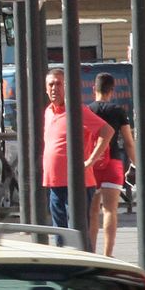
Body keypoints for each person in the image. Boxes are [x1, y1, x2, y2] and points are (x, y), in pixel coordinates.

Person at [42, 67, 113, 233]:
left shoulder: (77, 110)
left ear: (66, 87)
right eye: (51, 85)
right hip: (54, 182)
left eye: (58, 84)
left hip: (77, 183)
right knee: (60, 232)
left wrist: (91, 160)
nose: (54, 88)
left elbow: (107, 131)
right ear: (46, 89)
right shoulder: (48, 112)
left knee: (77, 232)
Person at [86, 72, 135, 257]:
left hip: (91, 164)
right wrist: (136, 164)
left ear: (94, 89)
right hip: (113, 162)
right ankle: (108, 254)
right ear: (112, 90)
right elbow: (128, 142)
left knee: (92, 212)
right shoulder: (118, 111)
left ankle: (91, 252)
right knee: (110, 210)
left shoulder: (88, 110)